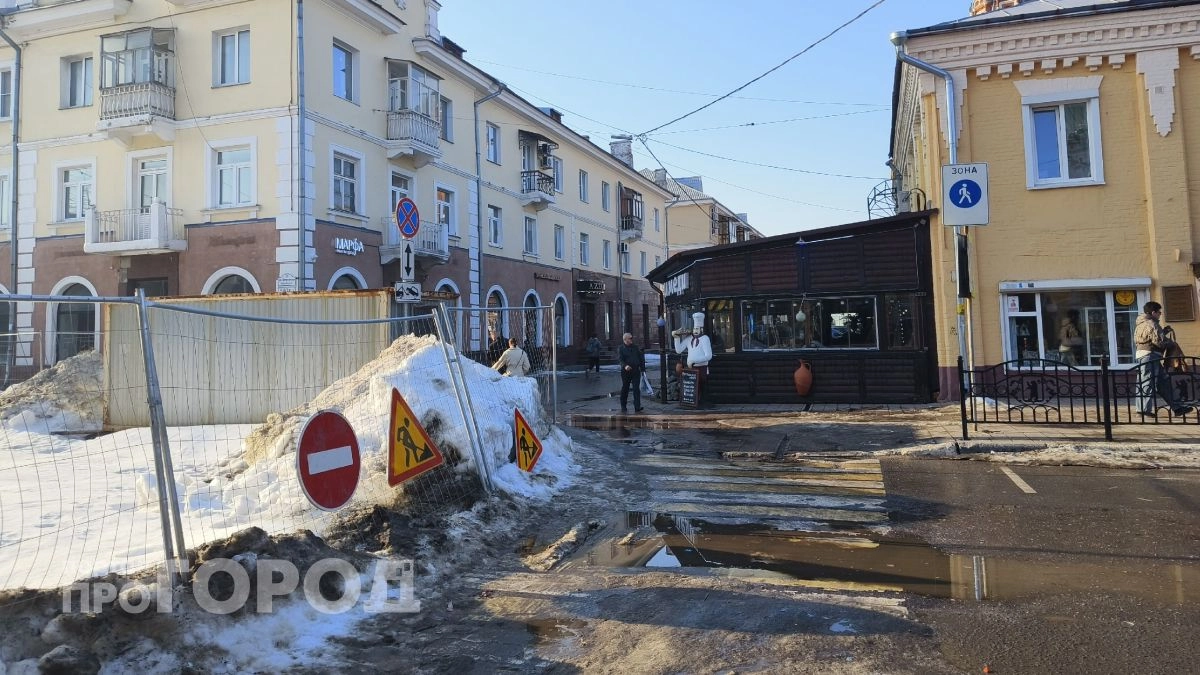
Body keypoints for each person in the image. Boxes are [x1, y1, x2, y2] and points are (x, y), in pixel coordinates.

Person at [1134, 301, 1192, 418]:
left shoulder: (1140, 324)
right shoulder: (1151, 323)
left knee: (1162, 383)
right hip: (1150, 356)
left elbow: (1149, 337)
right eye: (1159, 312)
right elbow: (1158, 342)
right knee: (1147, 382)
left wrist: (1163, 332)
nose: (1160, 315)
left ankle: (1177, 408)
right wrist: (1171, 344)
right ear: (1153, 312)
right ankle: (1143, 409)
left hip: (1145, 355)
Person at [672, 311, 714, 405]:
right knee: (693, 386)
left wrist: (694, 361)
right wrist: (676, 338)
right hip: (691, 369)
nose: (695, 330)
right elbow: (679, 350)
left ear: (701, 329)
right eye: (694, 328)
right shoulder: (689, 338)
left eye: (698, 328)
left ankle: (703, 402)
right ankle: (692, 402)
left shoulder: (705, 339)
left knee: (702, 385)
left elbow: (708, 356)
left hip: (701, 368)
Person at [617, 332, 646, 413]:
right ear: (625, 339)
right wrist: (625, 366)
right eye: (630, 338)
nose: (632, 339)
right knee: (625, 388)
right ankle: (623, 406)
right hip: (626, 371)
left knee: (636, 389)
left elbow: (641, 358)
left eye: (631, 338)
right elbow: (620, 359)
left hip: (636, 370)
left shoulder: (635, 347)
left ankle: (637, 406)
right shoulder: (621, 348)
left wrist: (643, 369)